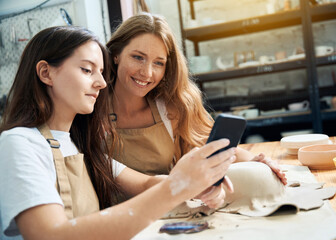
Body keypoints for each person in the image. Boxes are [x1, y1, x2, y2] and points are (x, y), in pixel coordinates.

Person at [0, 26, 236, 240]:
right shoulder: (19, 143)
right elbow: (49, 235)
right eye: (87, 70)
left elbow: (145, 184)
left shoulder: (78, 145)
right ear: (45, 73)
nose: (102, 83)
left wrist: (197, 183)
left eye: (102, 72)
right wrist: (175, 187)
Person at [106, 13, 286, 184]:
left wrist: (256, 161)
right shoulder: (91, 108)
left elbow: (215, 148)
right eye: (138, 57)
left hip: (166, 208)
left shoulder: (170, 108)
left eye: (158, 63)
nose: (147, 73)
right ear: (116, 55)